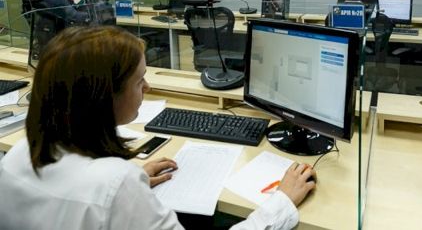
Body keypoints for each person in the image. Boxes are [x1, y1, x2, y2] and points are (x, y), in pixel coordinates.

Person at [0, 26, 317, 229]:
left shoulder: (18, 154)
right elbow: (105, 192)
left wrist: (133, 180)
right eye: (139, 80)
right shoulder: (115, 183)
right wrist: (281, 202)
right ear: (103, 97)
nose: (148, 87)